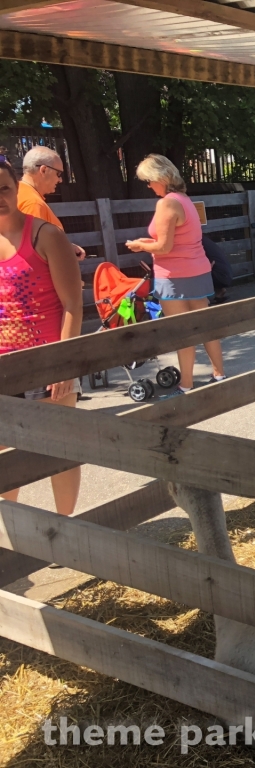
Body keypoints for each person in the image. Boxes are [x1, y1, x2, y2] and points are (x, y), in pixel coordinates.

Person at [0, 160, 83, 516]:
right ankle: (13, 533)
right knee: (6, 455)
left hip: (48, 362)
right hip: (5, 367)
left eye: (2, 188)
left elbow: (73, 305)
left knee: (58, 450)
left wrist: (62, 365)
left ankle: (65, 530)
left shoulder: (46, 236)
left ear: (16, 187)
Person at [126, 154, 226, 394]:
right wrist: (149, 242)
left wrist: (140, 246)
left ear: (160, 177)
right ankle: (219, 374)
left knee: (182, 332)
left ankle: (187, 384)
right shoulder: (184, 199)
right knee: (204, 326)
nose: (149, 186)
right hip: (197, 271)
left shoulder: (166, 203)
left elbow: (164, 248)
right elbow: (176, 240)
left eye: (149, 181)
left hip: (173, 275)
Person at [17, 146, 86, 260]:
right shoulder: (33, 203)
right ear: (43, 170)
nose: (60, 180)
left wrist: (67, 247)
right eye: (58, 174)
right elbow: (35, 254)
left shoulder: (18, 192)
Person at [202, 235, 232, 304]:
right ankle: (220, 291)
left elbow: (210, 263)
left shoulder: (197, 242)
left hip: (221, 276)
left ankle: (204, 299)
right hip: (226, 274)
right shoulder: (204, 240)